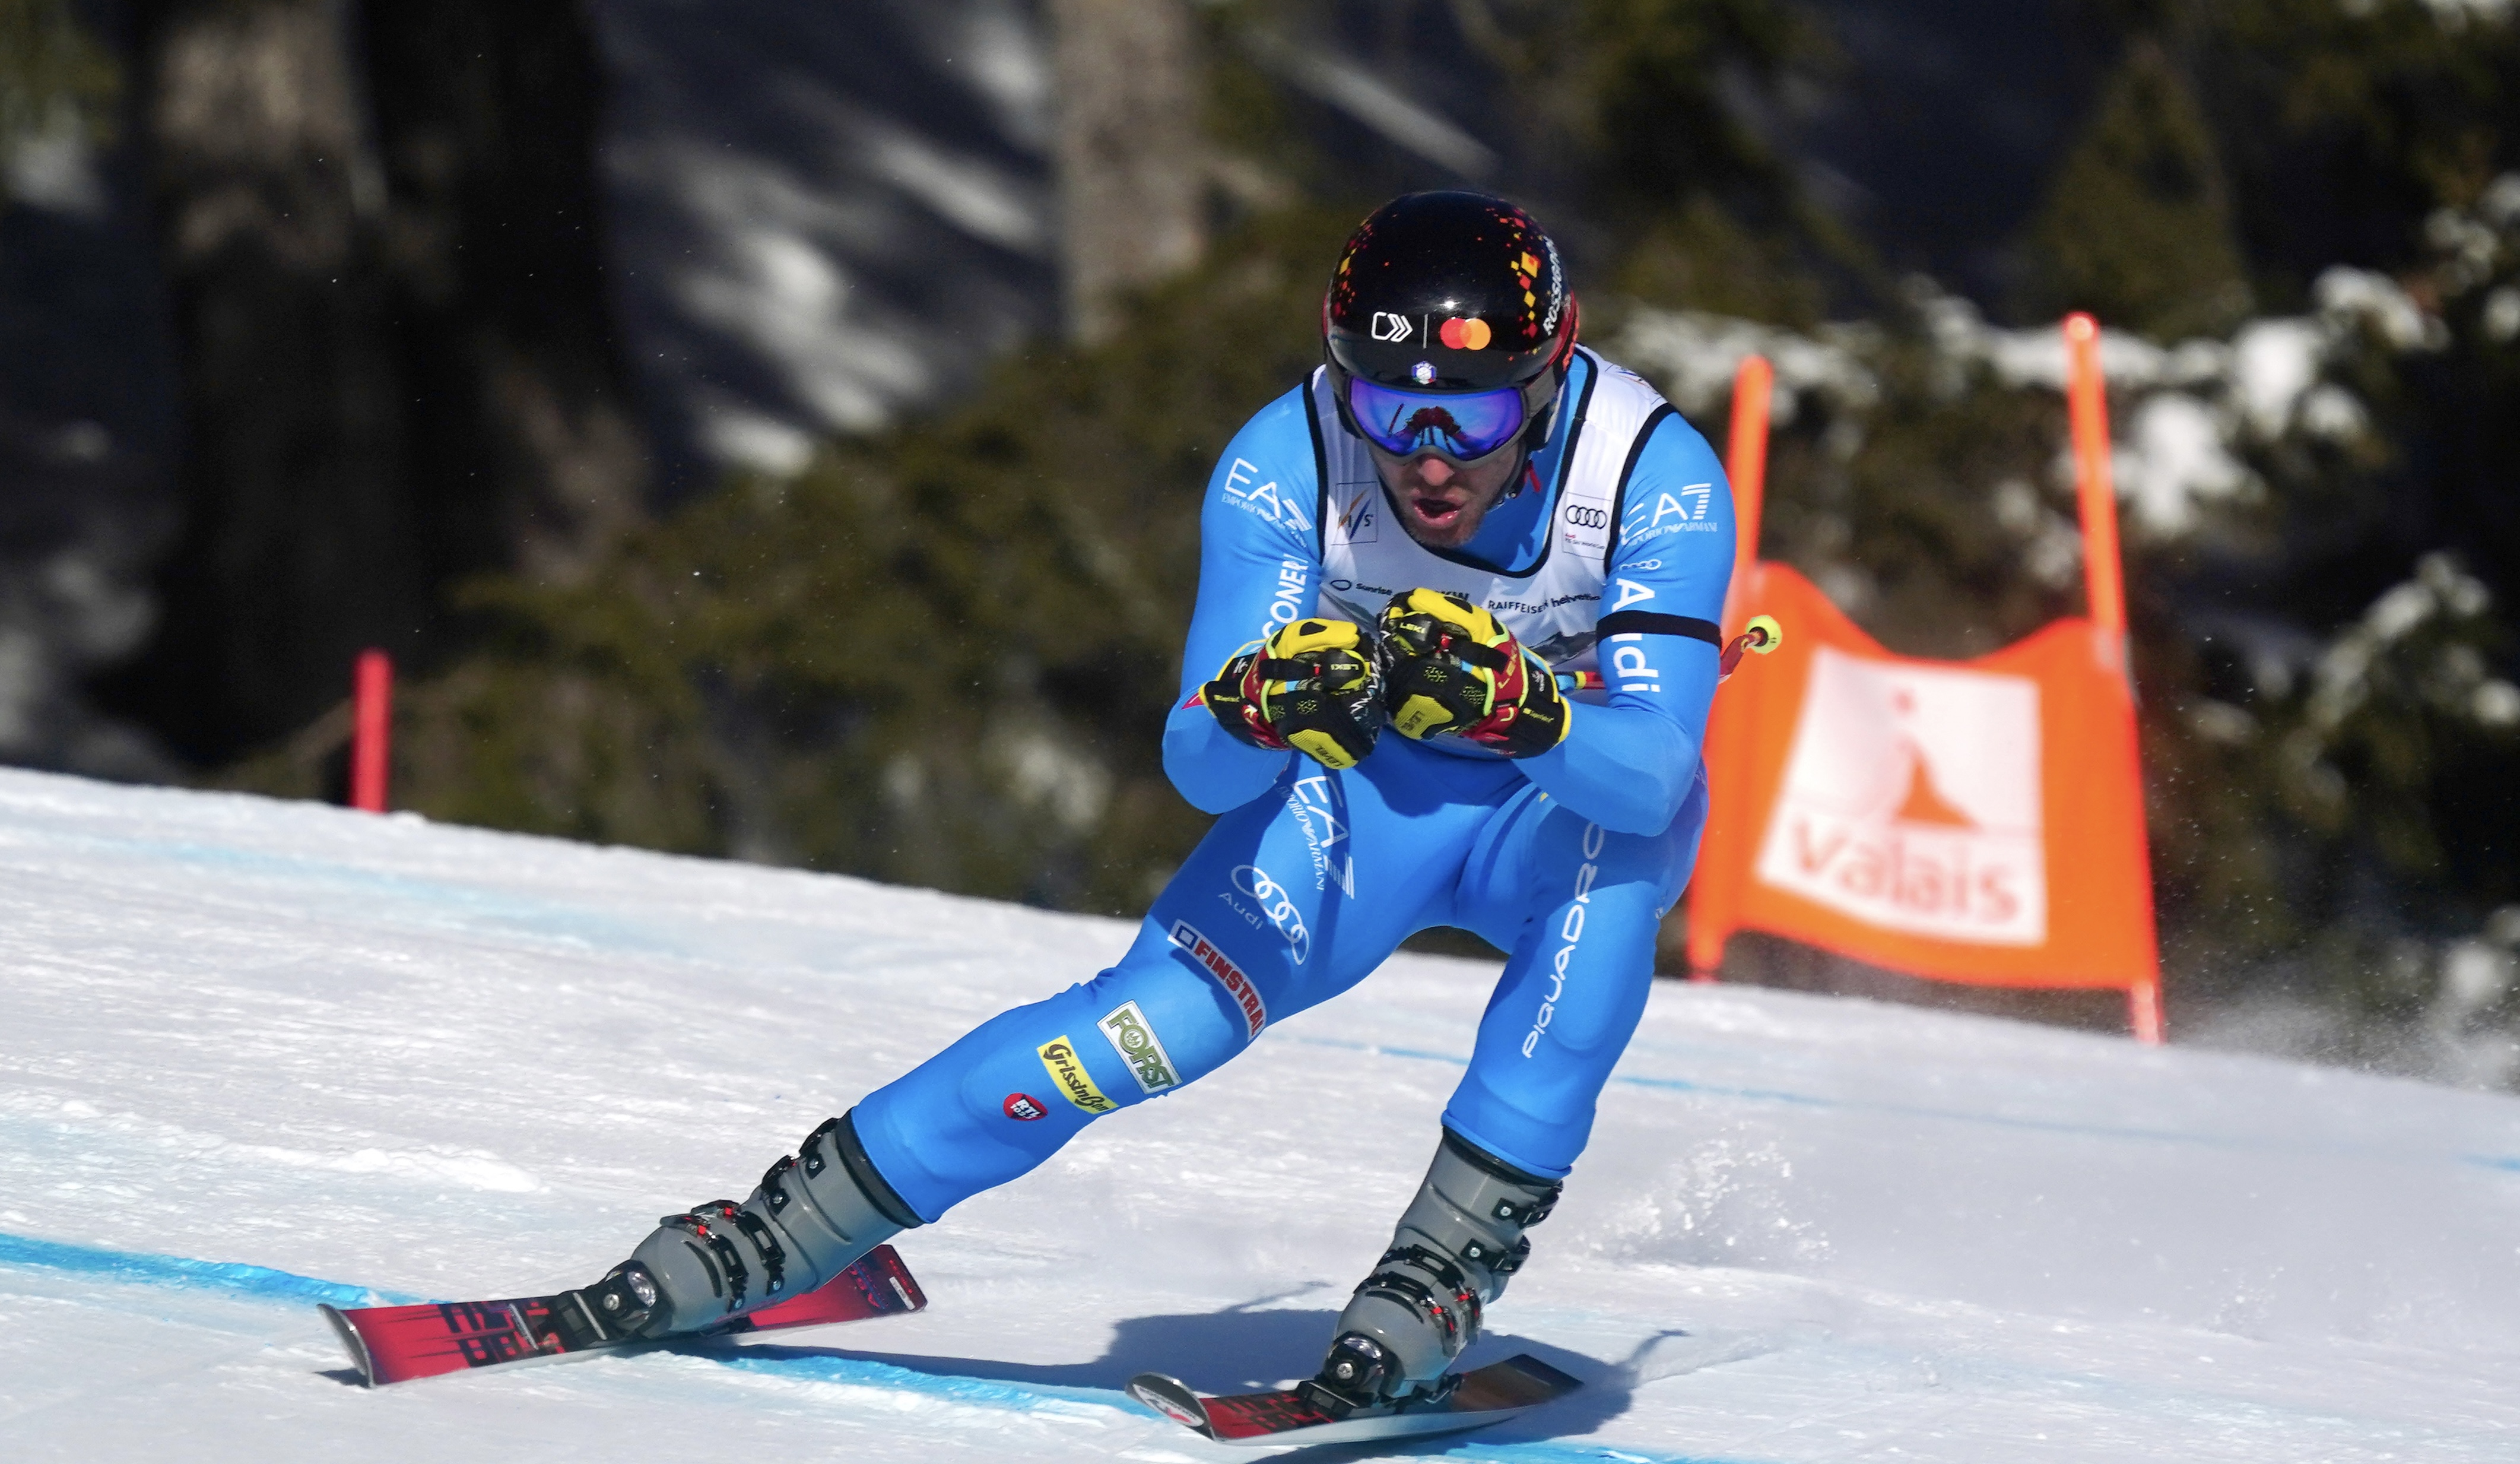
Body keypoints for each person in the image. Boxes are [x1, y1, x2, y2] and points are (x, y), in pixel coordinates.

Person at [567, 191, 1737, 1415]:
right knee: (1149, 1027)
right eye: (1388, 408)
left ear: (1547, 379)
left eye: (1475, 412)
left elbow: (1653, 773)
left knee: (1610, 891)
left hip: (1554, 821)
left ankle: (1436, 1274)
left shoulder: (1651, 476)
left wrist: (1528, 713)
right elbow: (1202, 771)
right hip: (1365, 808)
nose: (1428, 456)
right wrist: (1253, 707)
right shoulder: (1286, 460)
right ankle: (780, 1230)